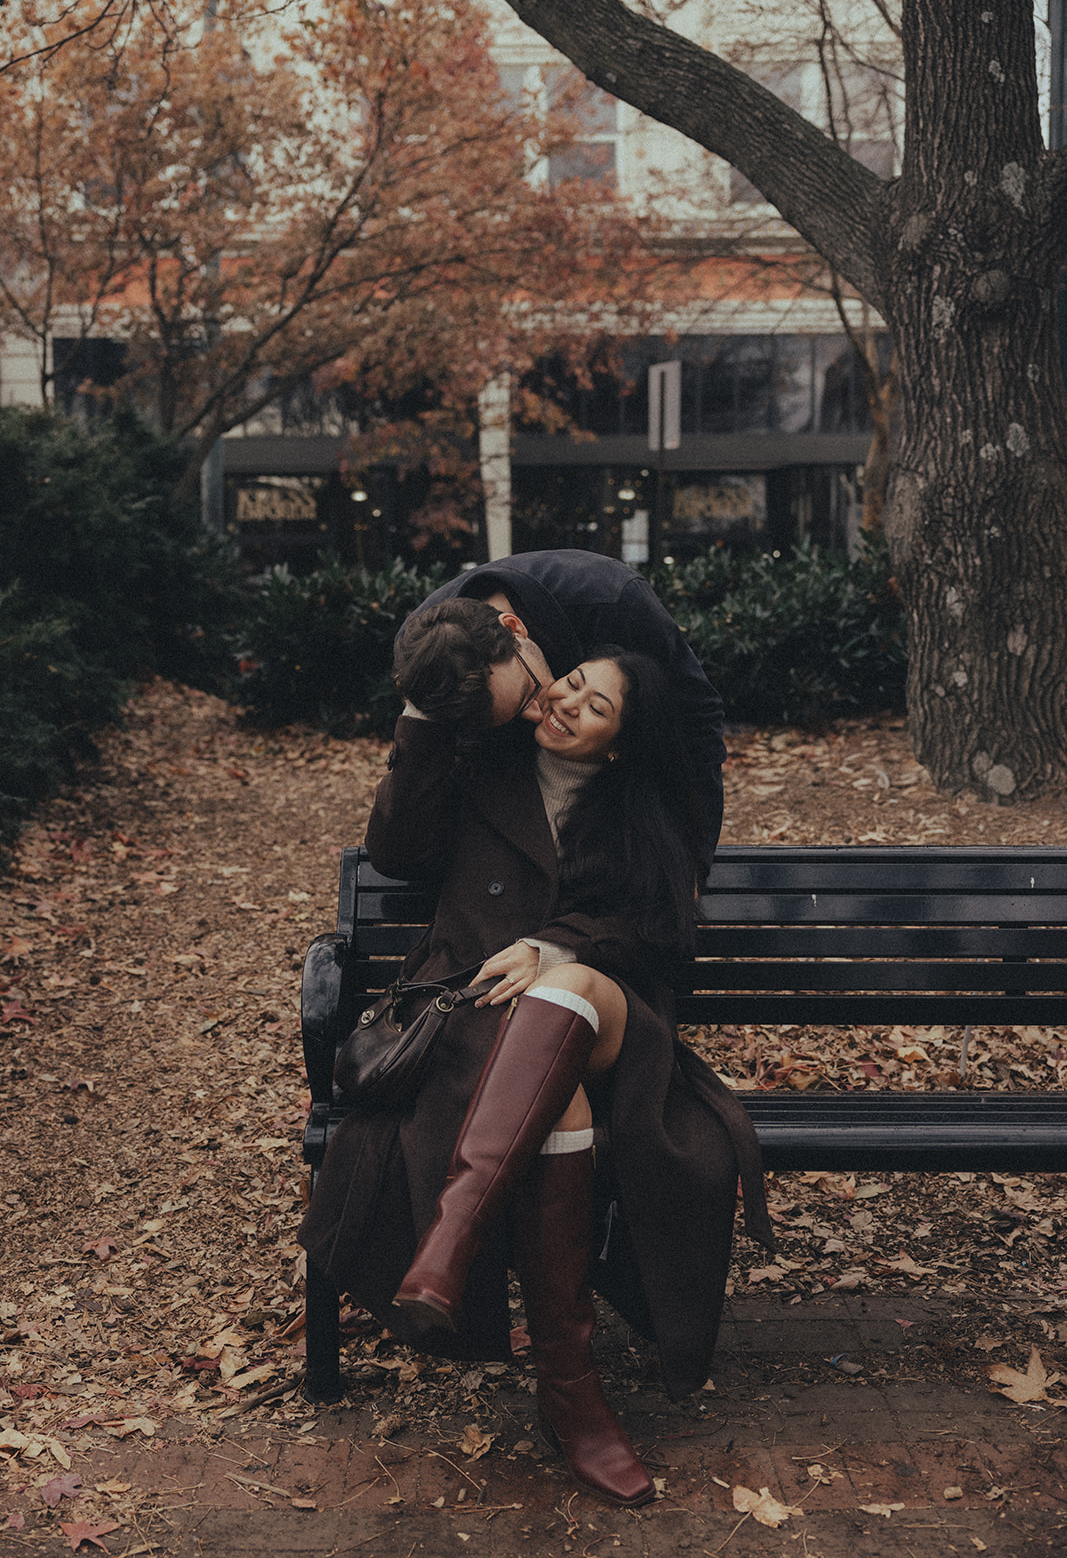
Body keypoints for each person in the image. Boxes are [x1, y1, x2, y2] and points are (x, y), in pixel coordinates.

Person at [298, 635, 772, 1508]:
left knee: (567, 988)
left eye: (594, 709)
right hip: (482, 1020)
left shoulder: (643, 805)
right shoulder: (480, 761)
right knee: (557, 1112)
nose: (566, 706)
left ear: (618, 742)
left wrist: (553, 944)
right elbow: (397, 850)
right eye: (571, 686)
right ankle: (570, 1388)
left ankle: (446, 1245)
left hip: (611, 1015)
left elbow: (658, 929)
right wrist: (422, 713)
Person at [398, 549, 727, 865]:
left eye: (529, 694)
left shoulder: (614, 600)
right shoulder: (421, 653)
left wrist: (694, 858)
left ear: (514, 629)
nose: (536, 715)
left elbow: (696, 714)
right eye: (508, 716)